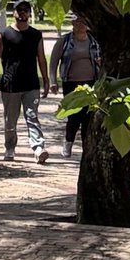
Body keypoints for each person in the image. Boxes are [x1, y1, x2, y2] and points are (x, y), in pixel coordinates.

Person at [0, 0, 47, 162]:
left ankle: (38, 148)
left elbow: (42, 59)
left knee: (32, 117)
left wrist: (46, 80)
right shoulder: (5, 35)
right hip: (10, 85)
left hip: (31, 84)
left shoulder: (36, 35)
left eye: (25, 10)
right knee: (10, 121)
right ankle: (10, 148)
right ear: (14, 13)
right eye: (19, 10)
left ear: (30, 14)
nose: (22, 13)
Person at [50, 10, 101, 156]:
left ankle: (87, 147)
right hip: (71, 83)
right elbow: (53, 62)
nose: (81, 25)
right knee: (74, 115)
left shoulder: (94, 41)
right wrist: (53, 81)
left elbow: (102, 59)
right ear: (72, 24)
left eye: (84, 22)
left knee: (88, 116)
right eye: (78, 22)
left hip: (90, 82)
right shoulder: (64, 41)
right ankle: (68, 142)